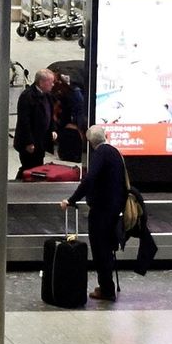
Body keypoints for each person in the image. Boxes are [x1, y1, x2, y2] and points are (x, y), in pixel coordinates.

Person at [63, 126, 126, 302]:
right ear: (105, 136)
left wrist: (72, 199)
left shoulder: (100, 154)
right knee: (107, 248)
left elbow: (90, 179)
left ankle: (106, 289)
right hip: (114, 209)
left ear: (90, 142)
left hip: (101, 211)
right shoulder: (115, 152)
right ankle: (107, 286)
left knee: (100, 250)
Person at [14, 68, 57, 177]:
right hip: (30, 141)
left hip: (41, 140)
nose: (53, 85)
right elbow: (24, 121)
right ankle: (19, 186)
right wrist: (29, 142)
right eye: (50, 82)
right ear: (41, 82)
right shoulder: (27, 96)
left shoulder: (47, 95)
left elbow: (50, 114)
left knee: (38, 166)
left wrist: (52, 129)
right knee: (28, 166)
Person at [53, 74, 88, 164]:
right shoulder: (66, 92)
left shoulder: (75, 92)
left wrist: (79, 126)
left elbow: (79, 110)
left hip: (73, 121)